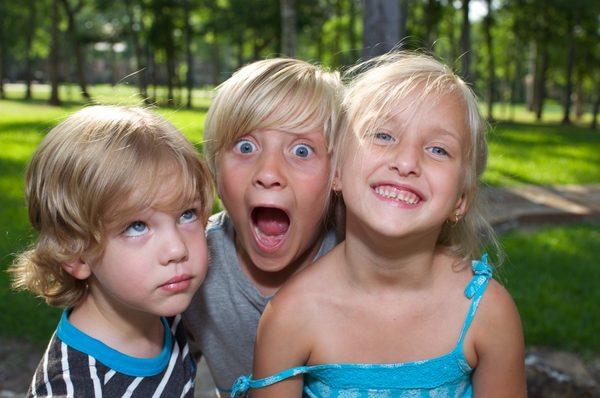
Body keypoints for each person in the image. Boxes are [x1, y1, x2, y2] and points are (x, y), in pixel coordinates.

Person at [231, 52, 527, 397]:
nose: (406, 162)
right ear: (337, 170)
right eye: (383, 136)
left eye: (438, 150)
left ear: (461, 200)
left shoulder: (486, 312)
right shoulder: (290, 316)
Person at [10, 105, 213, 397]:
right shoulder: (73, 387)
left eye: (187, 214)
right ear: (75, 253)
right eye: (137, 226)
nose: (177, 248)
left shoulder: (162, 311)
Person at [182, 58, 344, 396]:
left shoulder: (356, 261)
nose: (268, 173)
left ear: (337, 175)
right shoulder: (187, 261)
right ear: (214, 170)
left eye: (302, 150)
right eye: (245, 147)